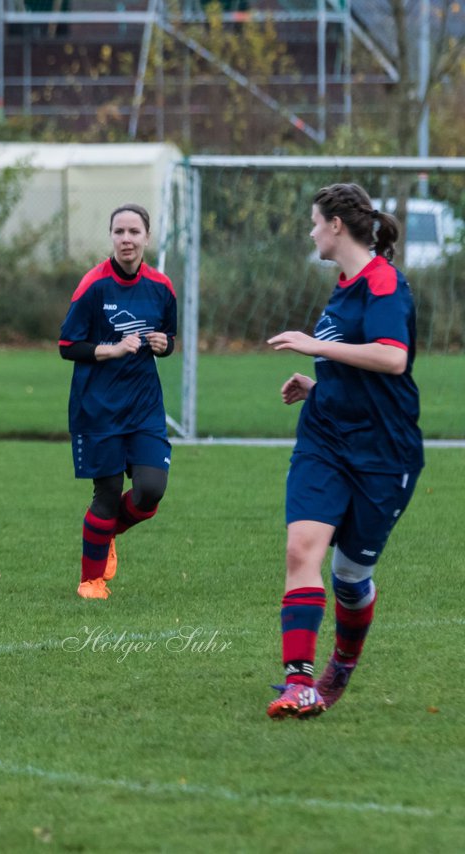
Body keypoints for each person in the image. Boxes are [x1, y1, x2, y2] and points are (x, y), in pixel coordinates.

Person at [265, 183, 422, 719]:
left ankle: (344, 664)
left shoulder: (383, 281)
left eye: (314, 222)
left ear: (336, 225)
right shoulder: (344, 283)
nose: (310, 231)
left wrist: (316, 347)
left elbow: (391, 358)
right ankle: (299, 682)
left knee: (350, 580)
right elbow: (355, 367)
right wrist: (318, 385)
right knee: (301, 550)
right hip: (326, 438)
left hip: (384, 453)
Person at [58, 203, 177, 600]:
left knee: (150, 491)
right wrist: (111, 350)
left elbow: (168, 340)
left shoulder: (161, 287)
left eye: (134, 232)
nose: (126, 239)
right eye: (119, 232)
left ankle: (106, 532)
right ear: (111, 237)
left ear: (146, 237)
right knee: (106, 494)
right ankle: (90, 581)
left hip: (144, 408)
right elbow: (67, 346)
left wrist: (164, 345)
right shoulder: (93, 286)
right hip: (98, 409)